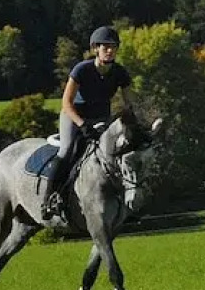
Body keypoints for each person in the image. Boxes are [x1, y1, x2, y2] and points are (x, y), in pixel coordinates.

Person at [42, 25, 136, 220]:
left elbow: (130, 103)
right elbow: (66, 103)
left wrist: (132, 122)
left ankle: (126, 201)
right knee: (67, 151)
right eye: (105, 47)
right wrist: (82, 125)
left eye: (113, 47)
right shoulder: (81, 69)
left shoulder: (120, 73)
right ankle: (49, 199)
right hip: (74, 117)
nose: (110, 50)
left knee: (121, 152)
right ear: (96, 49)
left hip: (102, 119)